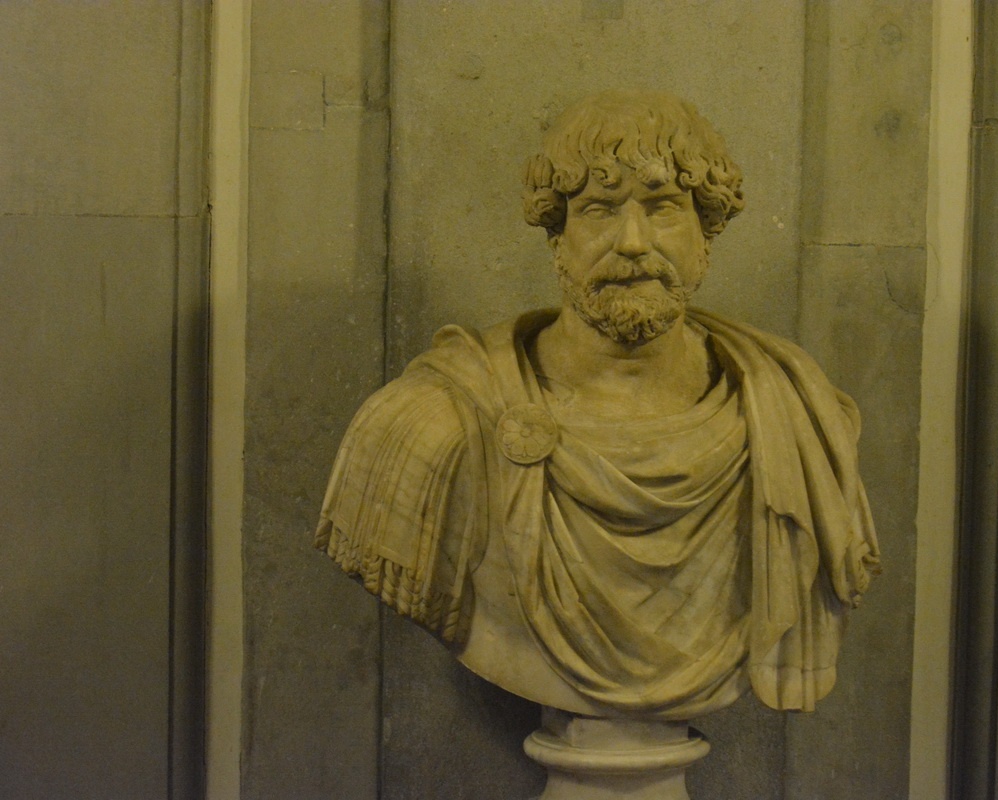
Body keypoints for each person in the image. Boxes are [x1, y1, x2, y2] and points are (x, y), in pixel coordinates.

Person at [315, 89, 880, 720]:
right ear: (558, 235)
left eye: (663, 207)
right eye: (599, 209)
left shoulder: (797, 418)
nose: (633, 241)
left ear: (706, 229)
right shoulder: (434, 423)